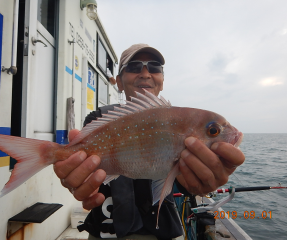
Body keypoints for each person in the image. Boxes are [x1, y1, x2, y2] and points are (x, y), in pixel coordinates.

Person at [54, 44, 245, 239]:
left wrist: (200, 181)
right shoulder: (98, 120)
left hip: (160, 231)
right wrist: (76, 179)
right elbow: (83, 171)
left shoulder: (176, 123)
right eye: (134, 67)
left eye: (154, 67)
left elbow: (178, 181)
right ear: (118, 82)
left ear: (162, 82)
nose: (145, 73)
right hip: (105, 231)